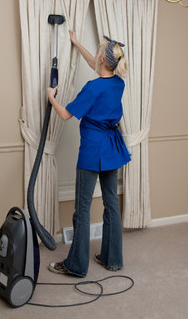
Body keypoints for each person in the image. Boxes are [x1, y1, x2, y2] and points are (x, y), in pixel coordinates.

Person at [47, 30, 131, 277]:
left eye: (97, 52)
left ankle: (76, 265)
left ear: (103, 60)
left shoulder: (92, 88)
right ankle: (112, 259)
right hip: (112, 148)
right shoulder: (118, 82)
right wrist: (77, 43)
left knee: (82, 208)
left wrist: (51, 98)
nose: (94, 55)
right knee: (111, 204)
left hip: (93, 150)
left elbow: (64, 114)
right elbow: (95, 65)